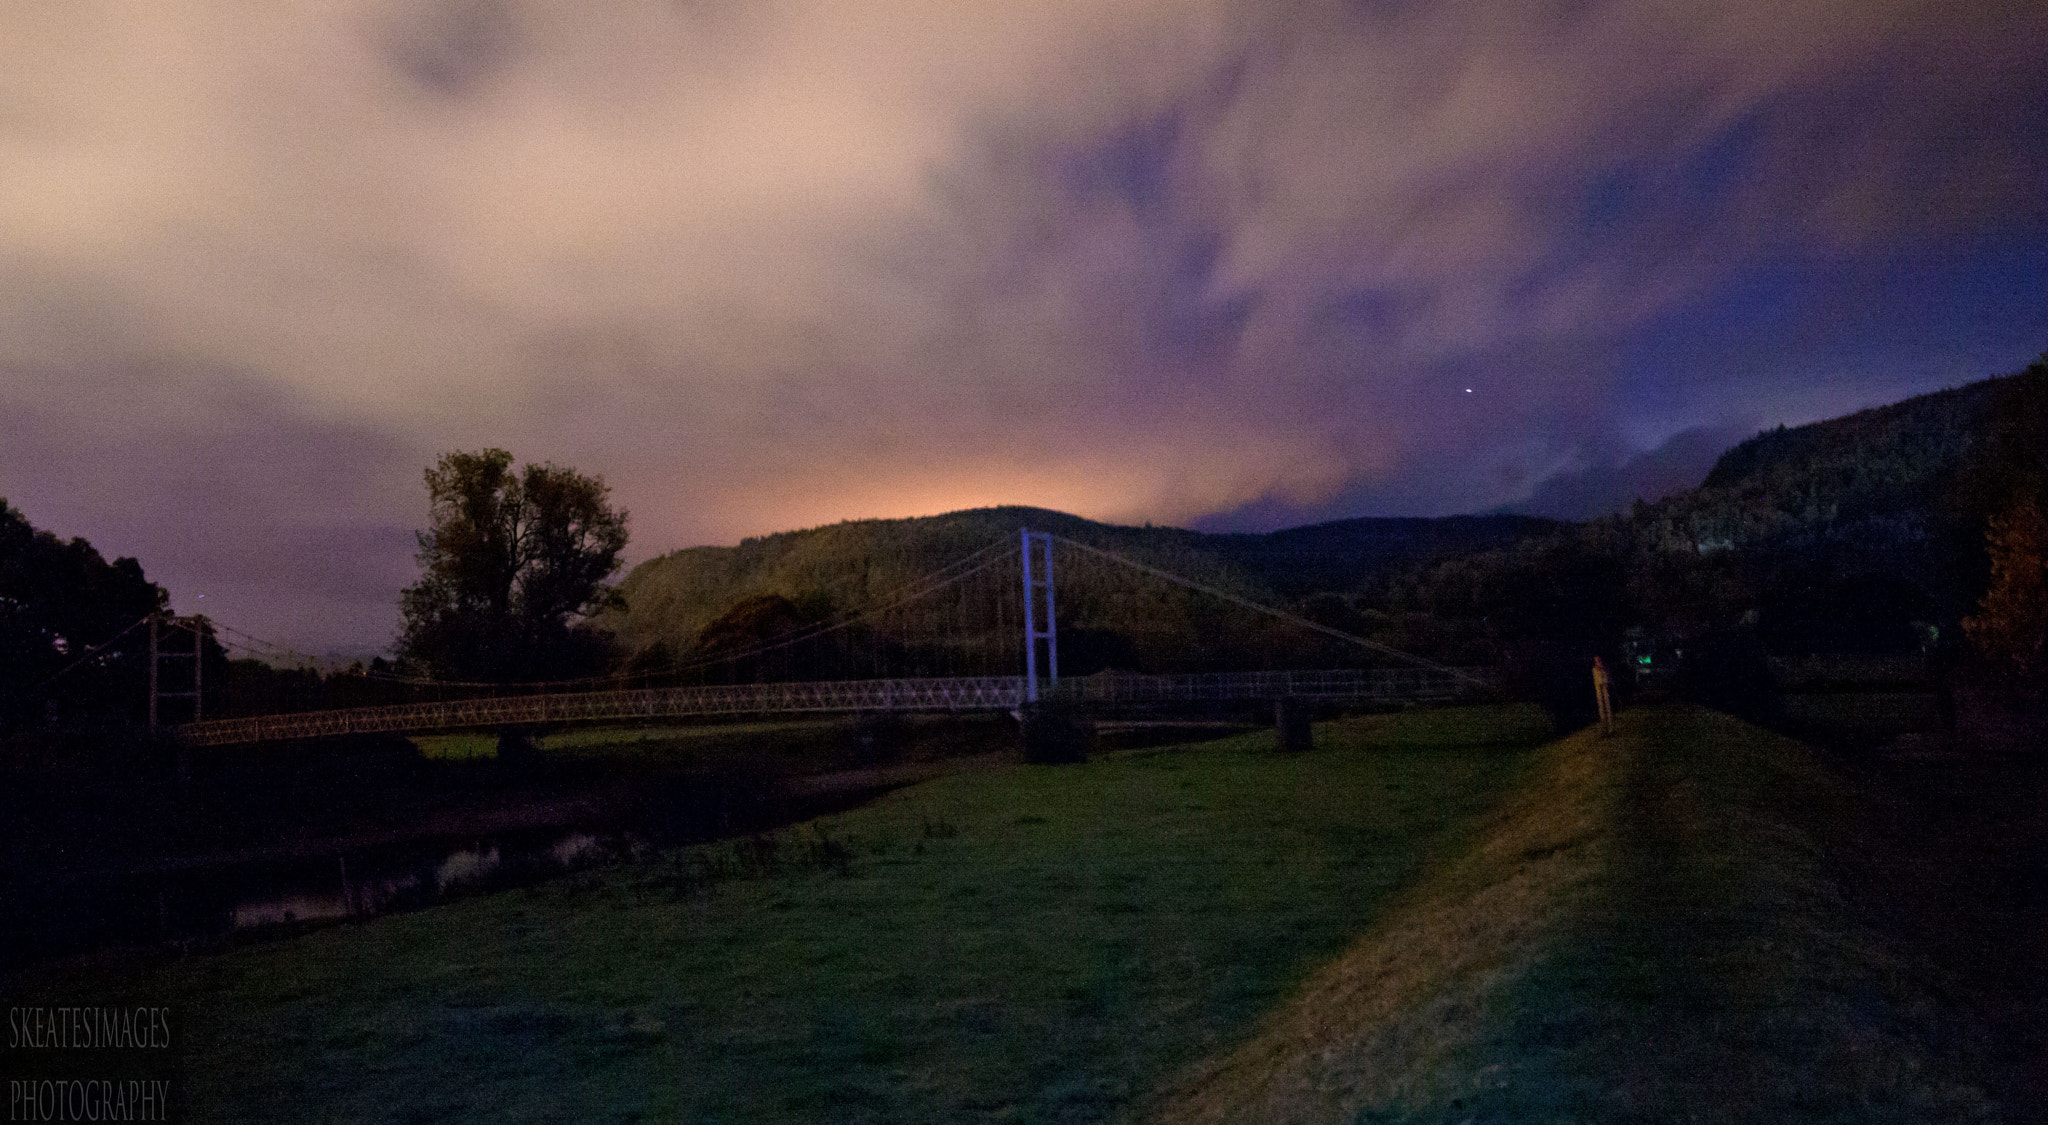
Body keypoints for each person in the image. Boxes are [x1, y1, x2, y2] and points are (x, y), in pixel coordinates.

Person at [1592, 655, 1615, 735]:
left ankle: (1610, 728)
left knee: (1608, 707)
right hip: (1598, 688)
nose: (1598, 662)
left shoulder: (1604, 668)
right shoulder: (1594, 669)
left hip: (1604, 687)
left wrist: (1603, 669)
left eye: (1599, 660)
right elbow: (1596, 680)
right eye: (1596, 661)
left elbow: (1607, 678)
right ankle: (1604, 728)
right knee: (1601, 708)